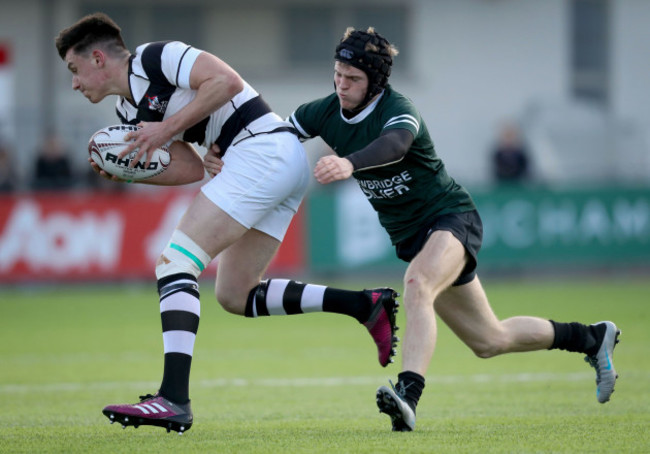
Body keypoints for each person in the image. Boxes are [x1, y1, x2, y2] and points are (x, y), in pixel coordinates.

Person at [210, 27, 622, 432]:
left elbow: (396, 145)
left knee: (418, 283)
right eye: (337, 73)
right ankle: (591, 338)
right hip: (412, 238)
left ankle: (407, 395)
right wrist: (224, 152)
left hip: (450, 218)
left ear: (375, 83)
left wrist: (350, 162)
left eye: (353, 79)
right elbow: (274, 138)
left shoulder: (398, 109)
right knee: (489, 340)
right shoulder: (322, 111)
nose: (342, 84)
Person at [55, 13, 399, 434]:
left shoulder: (155, 58)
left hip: (262, 151)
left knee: (174, 263)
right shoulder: (128, 109)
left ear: (97, 58)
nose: (74, 82)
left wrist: (165, 129)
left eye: (74, 70)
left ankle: (173, 399)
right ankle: (365, 305)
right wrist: (131, 169)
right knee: (236, 294)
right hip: (266, 159)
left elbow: (227, 82)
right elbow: (188, 168)